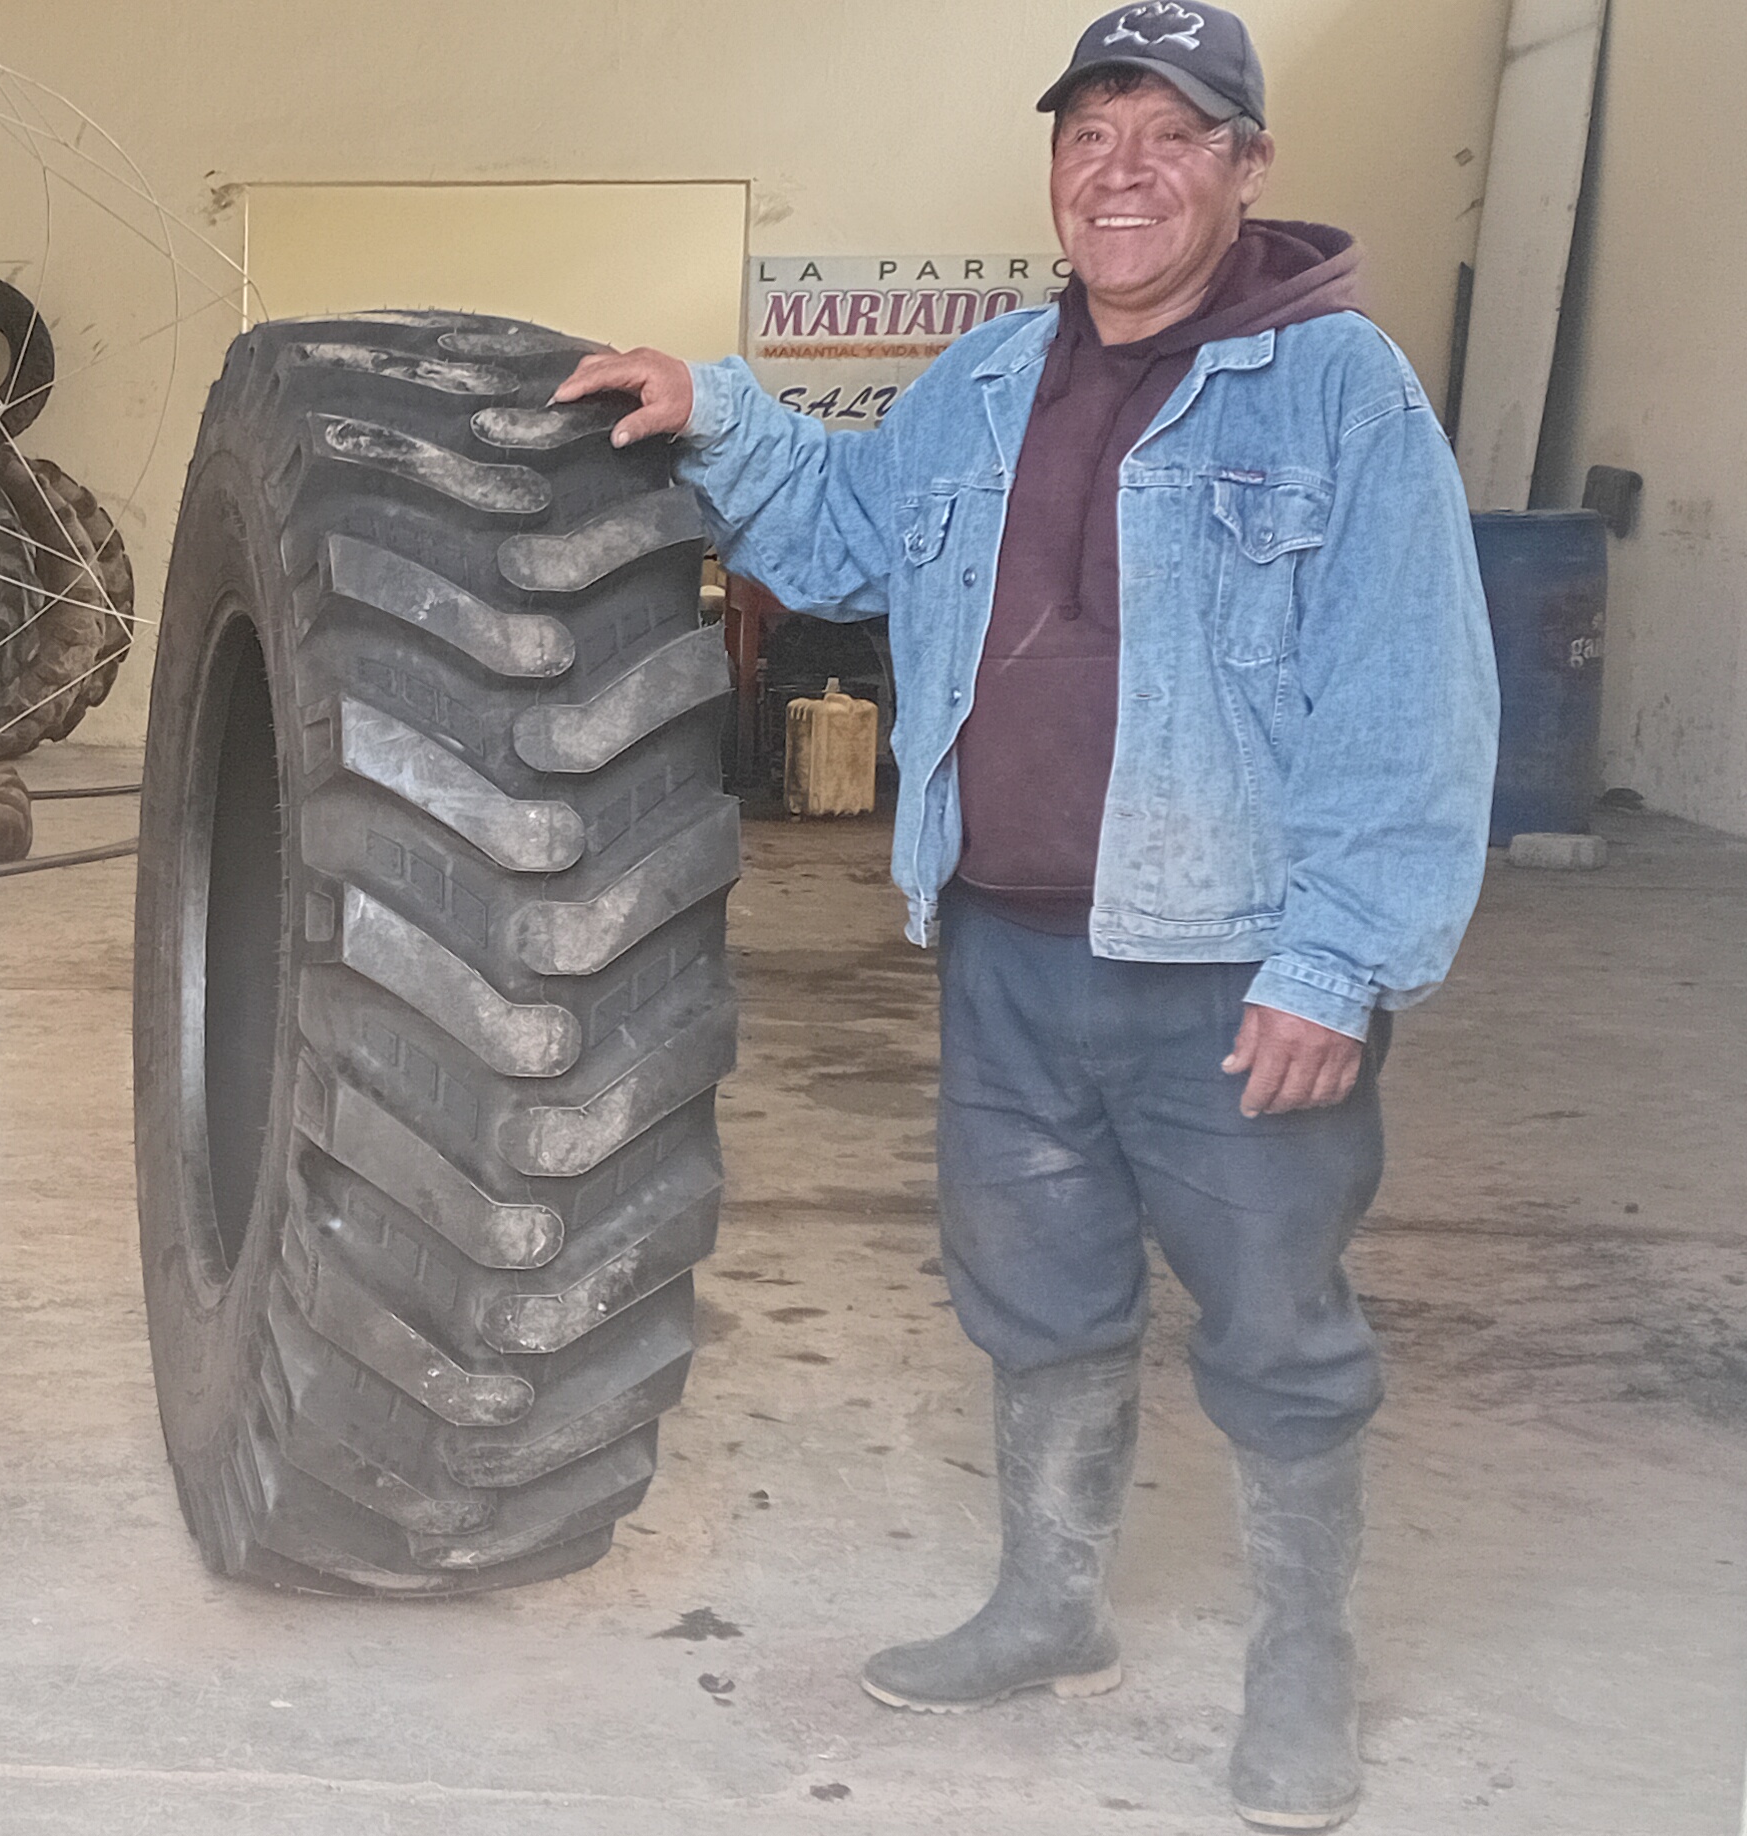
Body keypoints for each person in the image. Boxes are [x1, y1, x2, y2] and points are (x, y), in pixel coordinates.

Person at [556, 5, 1496, 1828]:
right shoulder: (987, 379)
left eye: (1170, 134)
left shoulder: (1341, 390)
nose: (1120, 172)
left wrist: (1335, 963)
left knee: (1277, 1331)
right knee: (1035, 1295)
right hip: (1007, 950)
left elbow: (1415, 697)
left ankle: (1303, 1663)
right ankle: (1051, 1607)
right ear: (1055, 167)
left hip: (1231, 966)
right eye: (1089, 135)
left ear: (1247, 165)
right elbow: (842, 535)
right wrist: (716, 408)